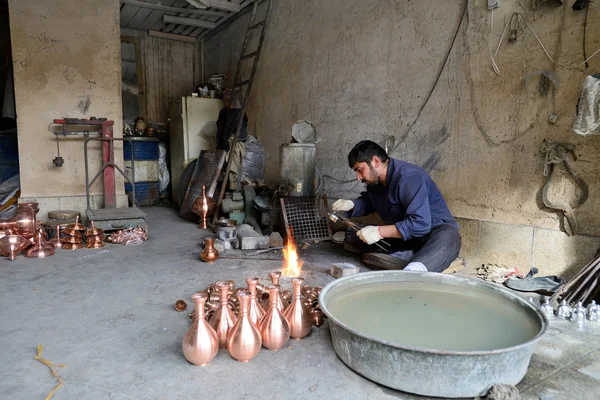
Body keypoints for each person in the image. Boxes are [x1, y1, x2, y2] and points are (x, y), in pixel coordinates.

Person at [332, 140, 461, 273]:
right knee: (354, 235)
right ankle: (411, 256)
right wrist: (352, 205)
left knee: (449, 238)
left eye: (360, 170)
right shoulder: (375, 182)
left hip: (432, 233)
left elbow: (420, 224)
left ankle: (414, 268)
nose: (358, 177)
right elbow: (370, 202)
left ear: (375, 161)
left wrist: (379, 232)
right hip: (406, 237)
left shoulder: (409, 177)